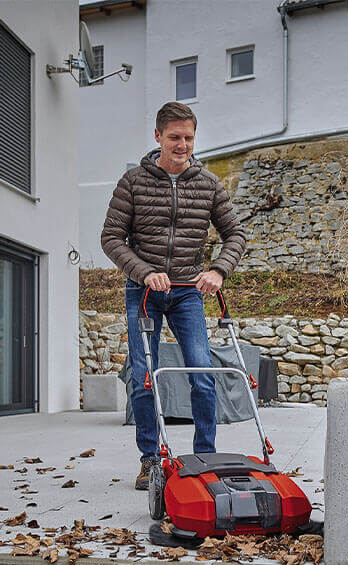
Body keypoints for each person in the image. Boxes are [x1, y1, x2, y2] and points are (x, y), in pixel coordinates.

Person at [101, 102, 246, 489]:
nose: (182, 145)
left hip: (187, 294)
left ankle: (205, 457)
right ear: (158, 137)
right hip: (144, 292)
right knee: (144, 377)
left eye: (188, 138)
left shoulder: (209, 185)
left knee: (201, 373)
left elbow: (236, 235)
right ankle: (150, 460)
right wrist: (145, 272)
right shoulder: (132, 182)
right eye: (174, 137)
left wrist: (217, 270)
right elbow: (111, 238)